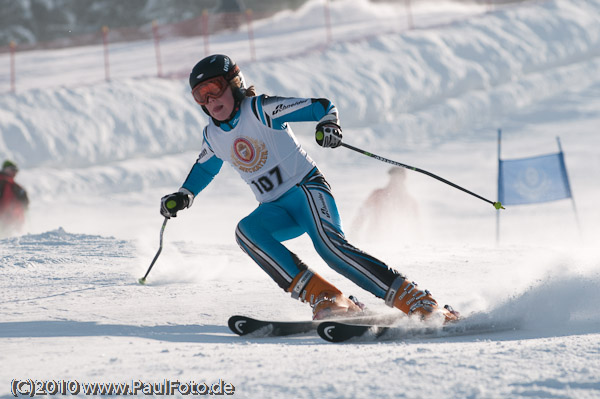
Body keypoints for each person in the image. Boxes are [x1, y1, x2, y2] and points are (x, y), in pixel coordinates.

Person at [160, 54, 458, 322]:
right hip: (275, 209)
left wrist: (329, 123)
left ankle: (418, 300)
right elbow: (204, 167)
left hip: (307, 190)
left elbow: (321, 107)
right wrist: (184, 194)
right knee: (247, 232)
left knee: (330, 248)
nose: (211, 100)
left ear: (235, 84)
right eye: (201, 96)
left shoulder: (261, 109)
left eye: (214, 89)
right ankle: (328, 297)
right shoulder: (213, 136)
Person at [352, 166, 419, 244]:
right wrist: (354, 231)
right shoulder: (377, 194)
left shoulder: (410, 201)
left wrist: (418, 242)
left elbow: (416, 225)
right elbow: (363, 213)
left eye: (398, 178)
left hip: (397, 242)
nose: (394, 181)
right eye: (392, 178)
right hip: (374, 239)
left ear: (403, 179)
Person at [0, 160, 29, 235]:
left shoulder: (16, 187)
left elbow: (25, 205)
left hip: (13, 223)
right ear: (5, 169)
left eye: (15, 170)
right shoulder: (2, 182)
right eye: (12, 169)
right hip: (3, 220)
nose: (14, 172)